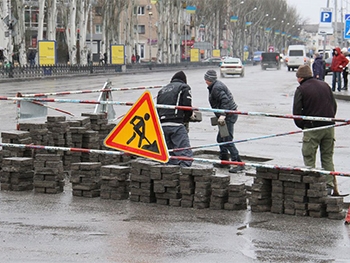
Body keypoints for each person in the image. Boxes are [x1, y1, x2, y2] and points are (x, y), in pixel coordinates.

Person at [292, 65, 337, 195]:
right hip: (329, 126)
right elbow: (334, 105)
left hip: (312, 128)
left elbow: (296, 113)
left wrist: (303, 126)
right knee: (327, 158)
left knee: (309, 158)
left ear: (300, 77)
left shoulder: (301, 89)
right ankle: (329, 186)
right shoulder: (325, 85)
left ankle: (312, 185)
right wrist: (330, 119)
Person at [204, 69, 244, 173]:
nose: (205, 81)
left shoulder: (216, 88)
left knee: (227, 139)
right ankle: (224, 160)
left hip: (229, 116)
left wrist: (222, 115)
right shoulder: (214, 86)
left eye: (206, 79)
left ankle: (238, 163)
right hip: (227, 115)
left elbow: (225, 100)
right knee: (221, 139)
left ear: (209, 79)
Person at [156, 71, 193, 167]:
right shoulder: (184, 87)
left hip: (162, 125)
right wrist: (187, 118)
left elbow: (157, 108)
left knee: (168, 156)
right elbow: (187, 106)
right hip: (176, 123)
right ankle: (184, 176)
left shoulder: (162, 90)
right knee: (184, 155)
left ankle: (167, 177)